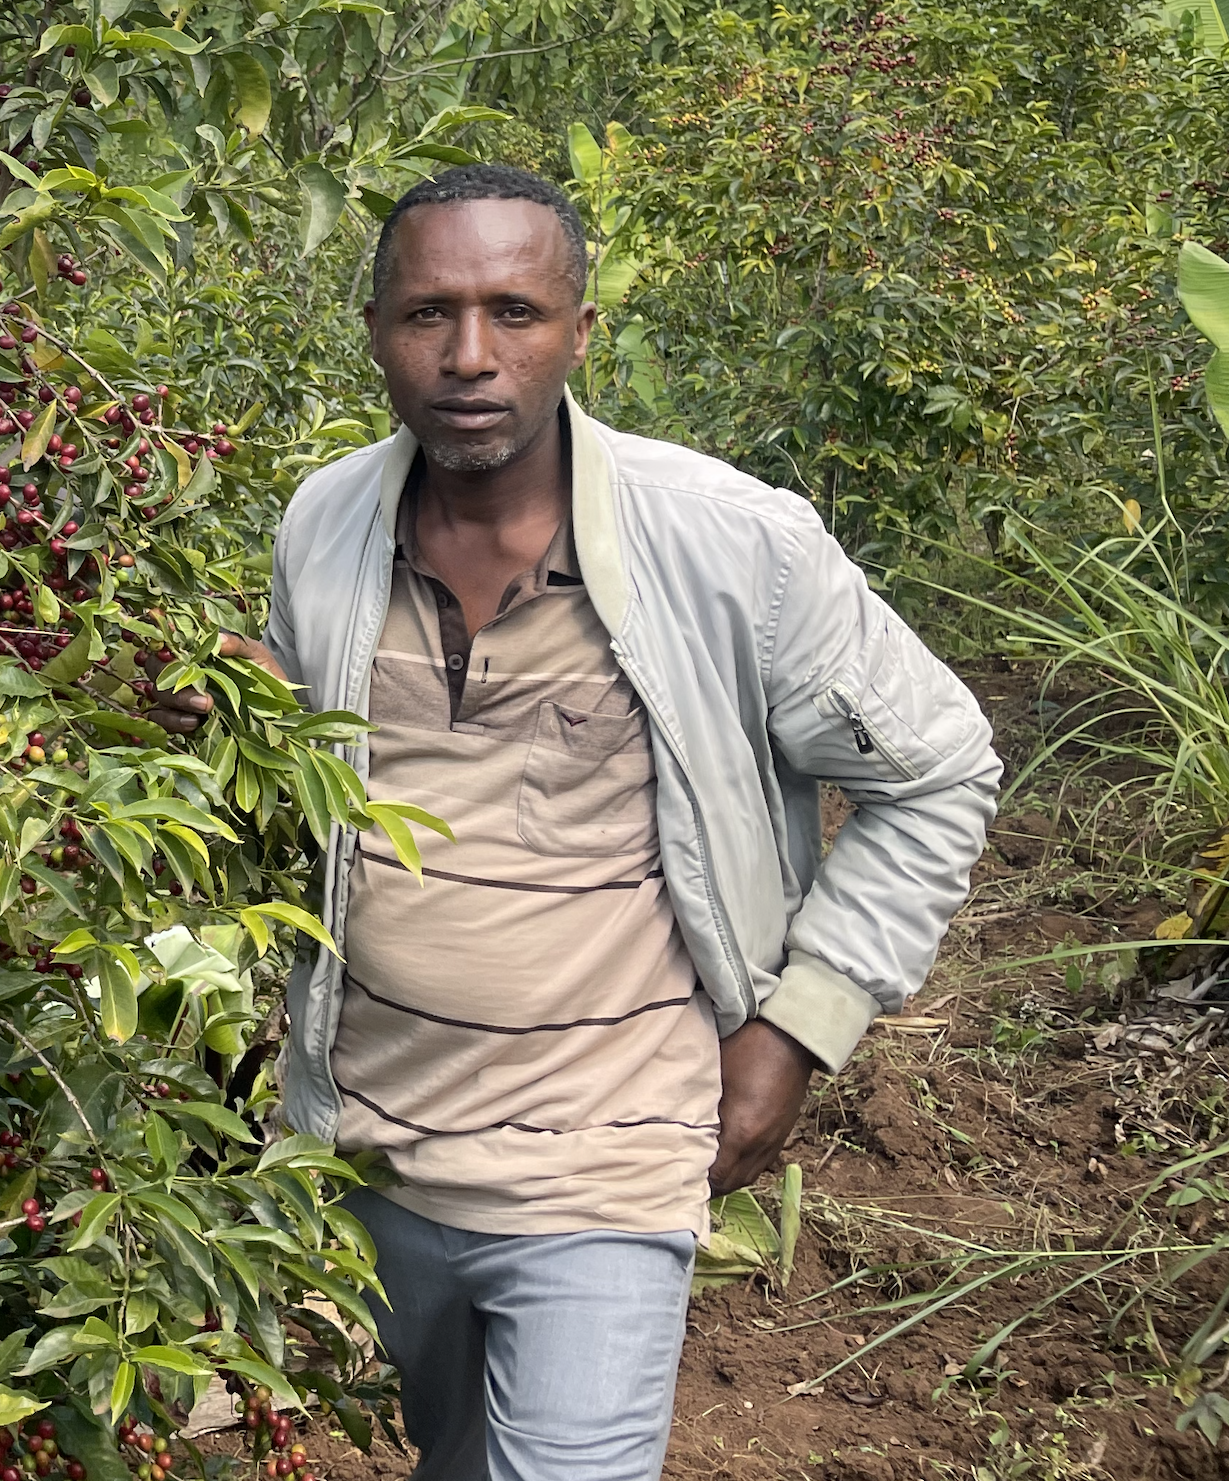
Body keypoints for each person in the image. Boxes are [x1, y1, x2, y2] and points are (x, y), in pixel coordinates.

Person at [262, 164, 999, 1481]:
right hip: (373, 1145)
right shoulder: (323, 526)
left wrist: (801, 1024)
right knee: (451, 1458)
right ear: (373, 331)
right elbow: (307, 790)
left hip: (609, 1157)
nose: (469, 356)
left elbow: (937, 771)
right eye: (428, 314)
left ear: (580, 333)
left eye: (514, 312)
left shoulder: (730, 546)